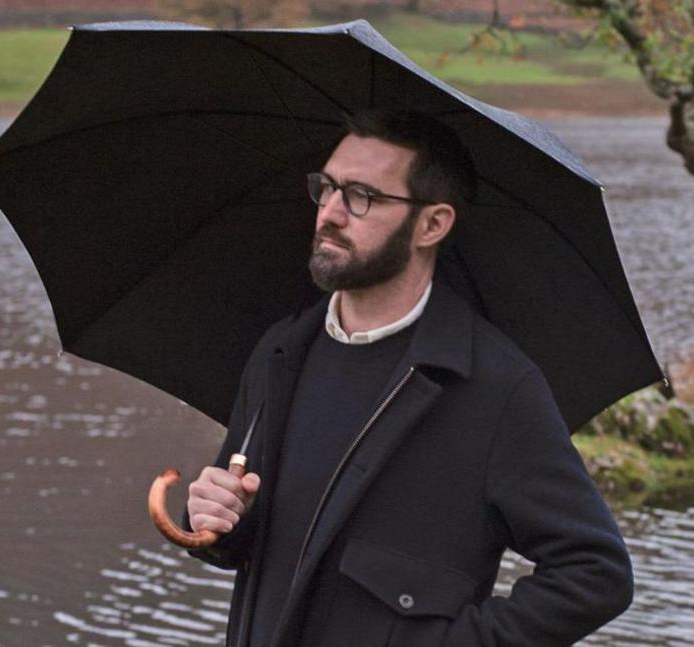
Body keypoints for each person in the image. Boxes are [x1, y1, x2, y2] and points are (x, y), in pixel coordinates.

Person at [182, 109, 633, 646]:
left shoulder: (494, 386)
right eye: (325, 187)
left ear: (432, 224)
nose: (329, 213)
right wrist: (216, 519)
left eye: (361, 196)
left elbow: (596, 572)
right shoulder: (281, 352)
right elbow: (244, 539)